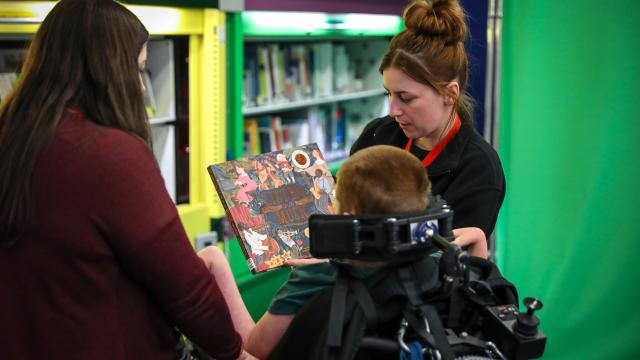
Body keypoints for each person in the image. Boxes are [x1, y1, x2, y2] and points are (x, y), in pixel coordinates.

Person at [0, 1, 251, 359]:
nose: (141, 87)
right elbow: (186, 289)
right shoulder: (110, 155)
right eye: (138, 70)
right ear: (109, 72)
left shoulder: (13, 139)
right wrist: (235, 352)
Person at [198, 145, 487, 358]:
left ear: (346, 219)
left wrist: (214, 260)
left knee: (212, 258)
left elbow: (255, 348)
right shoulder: (438, 269)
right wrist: (477, 235)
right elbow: (477, 259)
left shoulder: (314, 276)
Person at [350, 0, 505, 237]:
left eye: (406, 98)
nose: (393, 111)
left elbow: (443, 264)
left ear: (449, 94)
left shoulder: (478, 169)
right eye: (388, 94)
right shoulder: (377, 135)